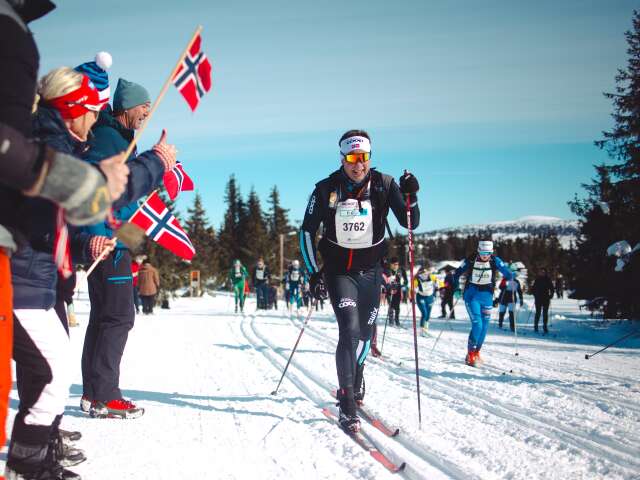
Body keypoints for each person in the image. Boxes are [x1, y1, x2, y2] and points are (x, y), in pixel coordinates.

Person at [0, 4, 128, 471]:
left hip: (34, 278)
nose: (96, 122)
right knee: (49, 374)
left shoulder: (56, 142)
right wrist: (150, 166)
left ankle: (32, 461)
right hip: (22, 279)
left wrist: (79, 245)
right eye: (92, 112)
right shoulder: (50, 143)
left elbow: (45, 216)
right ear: (75, 111)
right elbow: (44, 201)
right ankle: (28, 464)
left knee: (45, 375)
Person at [299, 129, 420, 432]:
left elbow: (411, 222)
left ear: (369, 157)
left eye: (363, 158)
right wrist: (314, 273)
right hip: (339, 272)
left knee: (365, 335)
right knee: (349, 330)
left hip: (370, 273)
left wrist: (411, 197)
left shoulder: (384, 184)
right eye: (351, 158)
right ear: (342, 158)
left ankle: (357, 374)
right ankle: (346, 402)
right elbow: (306, 231)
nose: (358, 165)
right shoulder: (326, 188)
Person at [79, 74, 177, 421]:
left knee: (104, 318)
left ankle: (93, 393)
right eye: (144, 106)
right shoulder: (108, 138)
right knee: (119, 318)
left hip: (111, 241)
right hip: (106, 245)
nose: (148, 112)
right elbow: (101, 191)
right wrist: (96, 239)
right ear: (127, 107)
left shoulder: (119, 136)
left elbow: (123, 202)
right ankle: (105, 394)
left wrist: (131, 238)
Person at [452, 240, 513, 367]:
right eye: (482, 252)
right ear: (478, 250)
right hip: (471, 295)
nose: (485, 256)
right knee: (477, 324)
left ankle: (476, 352)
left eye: (488, 253)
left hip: (487, 297)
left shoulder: (495, 260)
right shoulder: (471, 259)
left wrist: (510, 276)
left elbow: (506, 272)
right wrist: (457, 288)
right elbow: (456, 273)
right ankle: (470, 354)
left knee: (485, 327)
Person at [497, 266, 523, 331]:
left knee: (511, 312)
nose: (513, 275)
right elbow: (500, 287)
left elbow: (519, 291)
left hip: (512, 297)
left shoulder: (516, 281)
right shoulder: (505, 279)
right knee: (502, 311)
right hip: (504, 296)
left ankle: (512, 327)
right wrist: (504, 287)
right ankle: (500, 324)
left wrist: (521, 299)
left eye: (514, 274)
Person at [415, 266, 438, 335]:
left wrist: (437, 285)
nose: (425, 274)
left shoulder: (432, 277)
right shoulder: (417, 279)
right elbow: (412, 287)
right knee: (424, 313)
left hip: (430, 297)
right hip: (421, 297)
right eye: (423, 272)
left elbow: (438, 283)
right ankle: (422, 331)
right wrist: (413, 290)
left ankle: (426, 329)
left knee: (428, 314)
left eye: (426, 272)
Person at [385, 258, 407, 327]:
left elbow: (406, 279)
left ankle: (397, 321)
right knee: (391, 305)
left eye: (397, 264)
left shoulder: (401, 270)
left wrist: (404, 285)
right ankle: (391, 321)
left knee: (397, 306)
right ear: (391, 264)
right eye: (394, 264)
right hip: (389, 290)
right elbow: (384, 281)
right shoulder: (387, 270)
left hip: (398, 290)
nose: (395, 266)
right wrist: (388, 286)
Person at [532, 268, 555, 334]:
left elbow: (552, 289)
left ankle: (545, 327)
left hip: (546, 298)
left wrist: (551, 295)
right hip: (538, 298)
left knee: (545, 313)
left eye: (543, 272)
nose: (542, 273)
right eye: (540, 272)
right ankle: (535, 326)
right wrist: (535, 295)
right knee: (538, 313)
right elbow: (533, 289)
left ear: (545, 273)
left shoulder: (548, 279)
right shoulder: (537, 279)